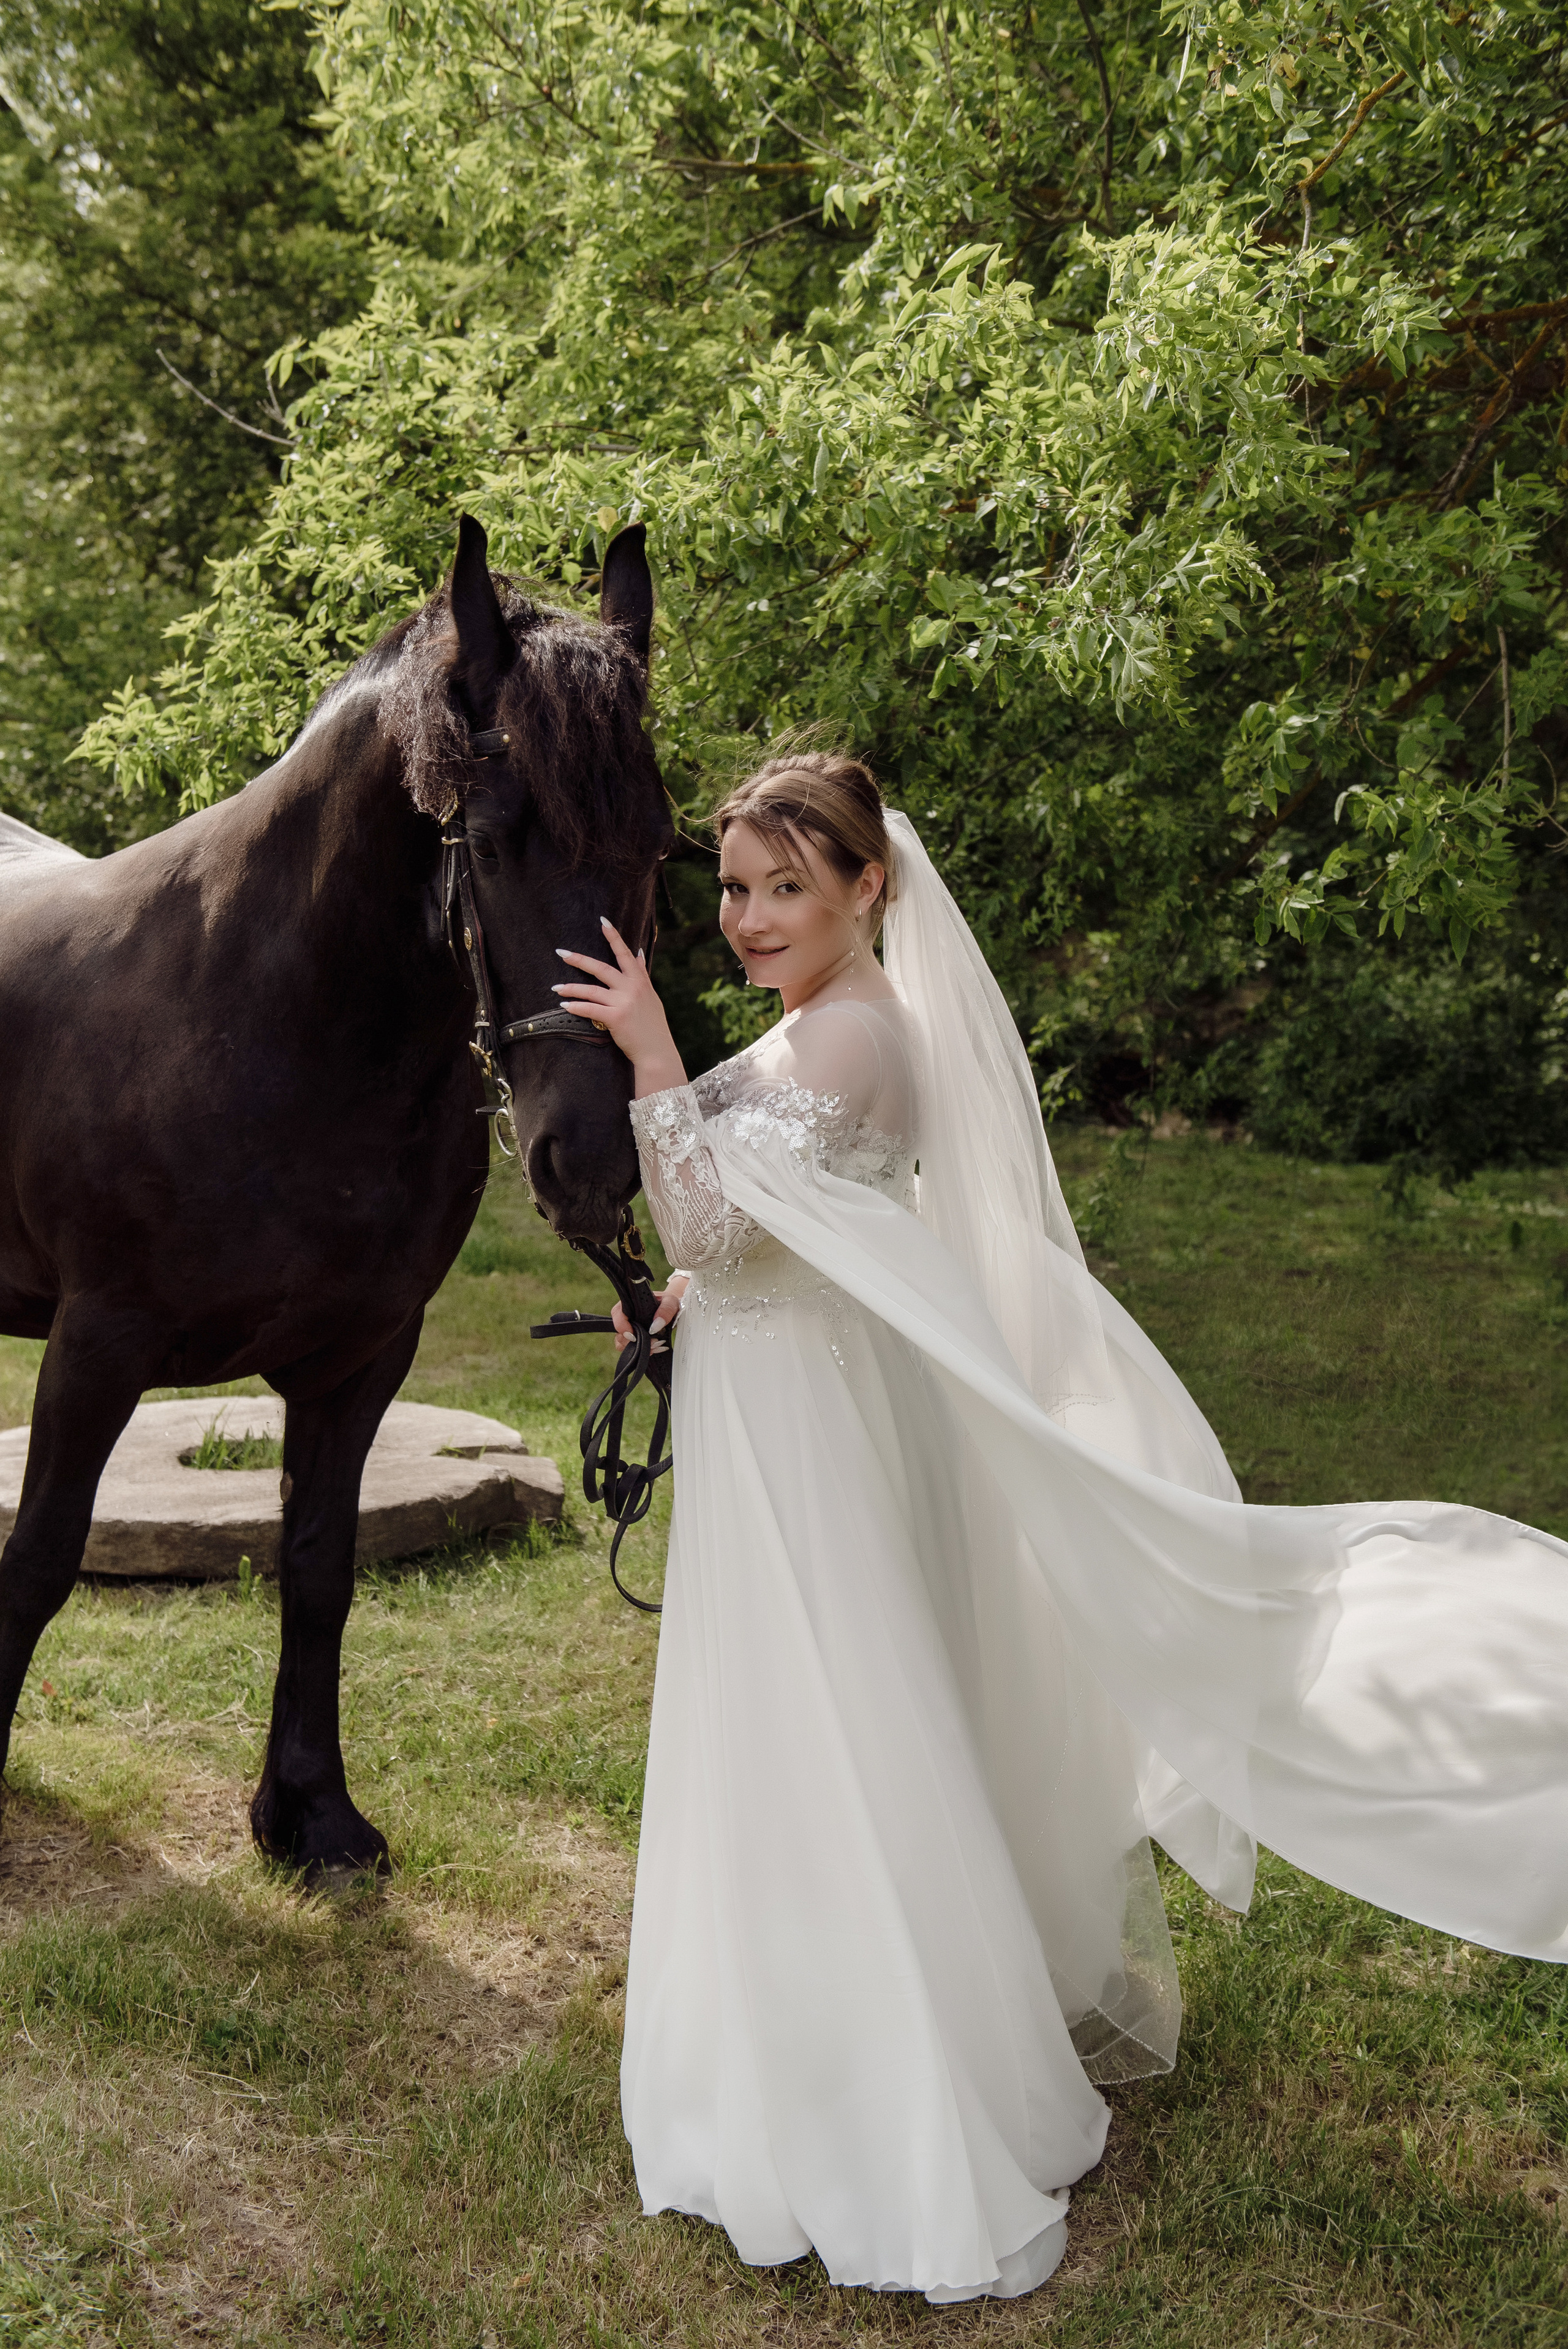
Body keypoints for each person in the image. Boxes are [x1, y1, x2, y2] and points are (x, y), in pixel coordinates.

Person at [551, 751, 1568, 2304]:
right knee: (786, 1725)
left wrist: (646, 1050)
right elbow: (770, 1243)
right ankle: (798, 2036)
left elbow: (705, 1209)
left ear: (866, 889)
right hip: (785, 1415)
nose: (748, 918)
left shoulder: (856, 1036)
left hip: (809, 1451)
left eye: (785, 890)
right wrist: (697, 1289)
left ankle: (887, 2100)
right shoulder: (813, 1023)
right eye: (734, 891)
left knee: (830, 1724)